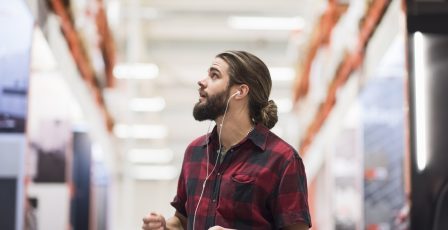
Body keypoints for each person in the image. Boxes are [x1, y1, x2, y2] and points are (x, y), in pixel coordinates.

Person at [142, 50, 311, 230]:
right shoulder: (195, 152)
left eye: (214, 75)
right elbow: (183, 221)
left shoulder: (283, 160)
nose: (201, 81)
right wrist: (165, 227)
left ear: (240, 91)